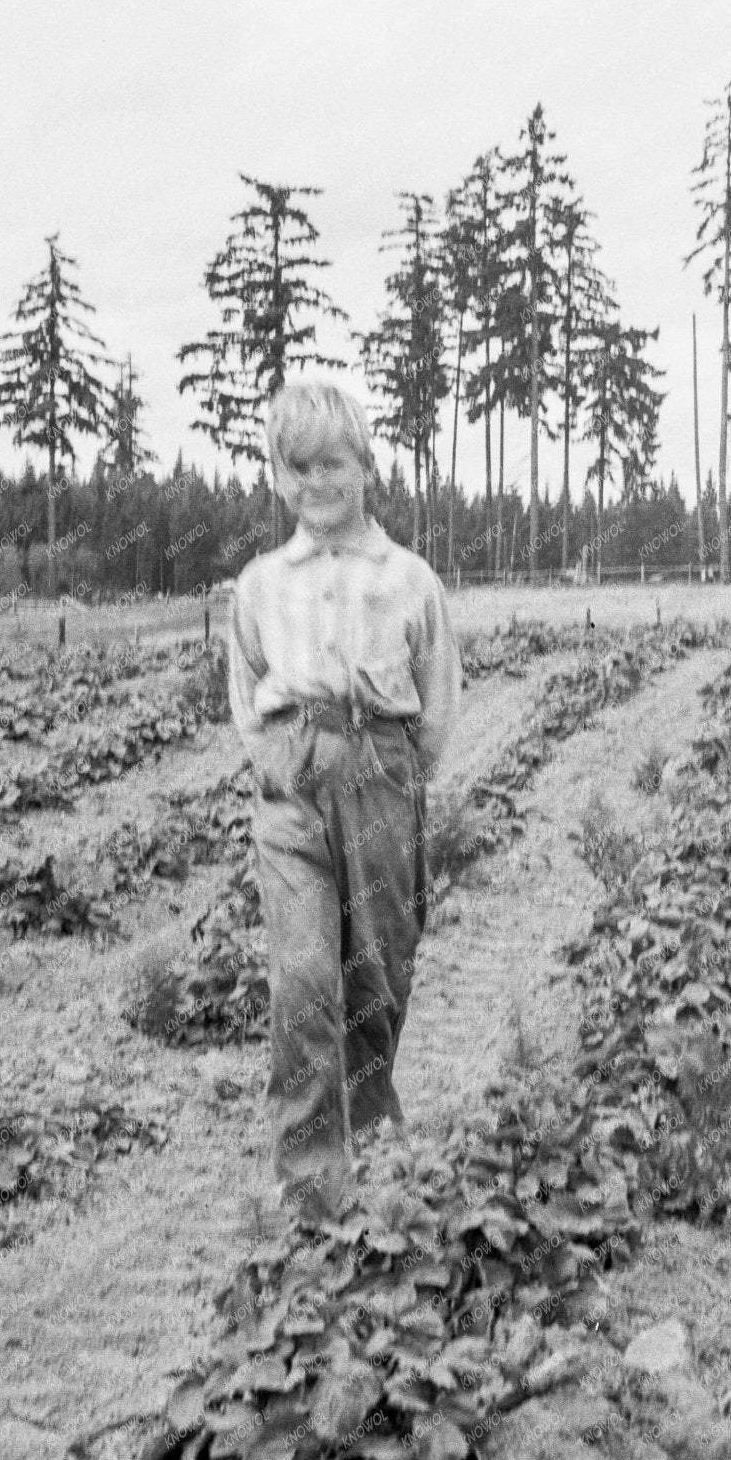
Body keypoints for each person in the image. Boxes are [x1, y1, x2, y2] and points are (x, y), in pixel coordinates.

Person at [228, 379, 463, 1217]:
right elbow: (246, 683)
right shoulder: (260, 583)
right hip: (293, 781)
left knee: (378, 971)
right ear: (278, 481)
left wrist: (398, 774)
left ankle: (368, 1132)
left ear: (365, 464)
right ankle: (311, 1186)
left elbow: (437, 694)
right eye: (298, 469)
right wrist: (278, 763)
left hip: (383, 770)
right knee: (301, 982)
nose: (317, 484)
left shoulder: (408, 577)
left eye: (333, 464)